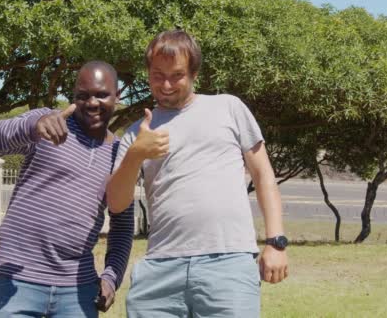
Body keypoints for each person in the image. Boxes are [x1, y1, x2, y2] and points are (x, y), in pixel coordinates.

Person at [106, 30, 289, 317]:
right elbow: (116, 204)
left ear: (194, 73)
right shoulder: (137, 134)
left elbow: (263, 175)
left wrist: (276, 241)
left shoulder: (228, 107)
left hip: (228, 264)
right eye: (157, 75)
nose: (166, 84)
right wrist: (136, 154)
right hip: (160, 270)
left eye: (176, 75)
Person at [0, 61, 134, 318]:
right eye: (82, 96)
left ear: (117, 96)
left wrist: (111, 277)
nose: (92, 103)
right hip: (17, 281)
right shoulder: (49, 123)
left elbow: (123, 224)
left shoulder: (120, 154)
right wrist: (32, 127)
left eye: (101, 95)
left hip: (78, 291)